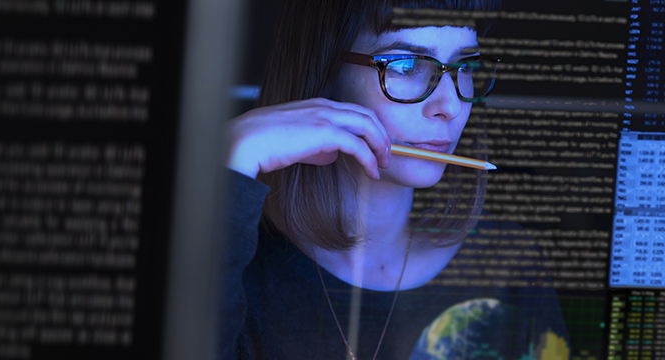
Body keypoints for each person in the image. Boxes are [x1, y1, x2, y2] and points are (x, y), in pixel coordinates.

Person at [222, 0, 571, 359]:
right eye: (406, 65)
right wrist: (231, 163)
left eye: (464, 66)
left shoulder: (509, 263)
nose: (448, 105)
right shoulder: (233, 260)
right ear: (325, 71)